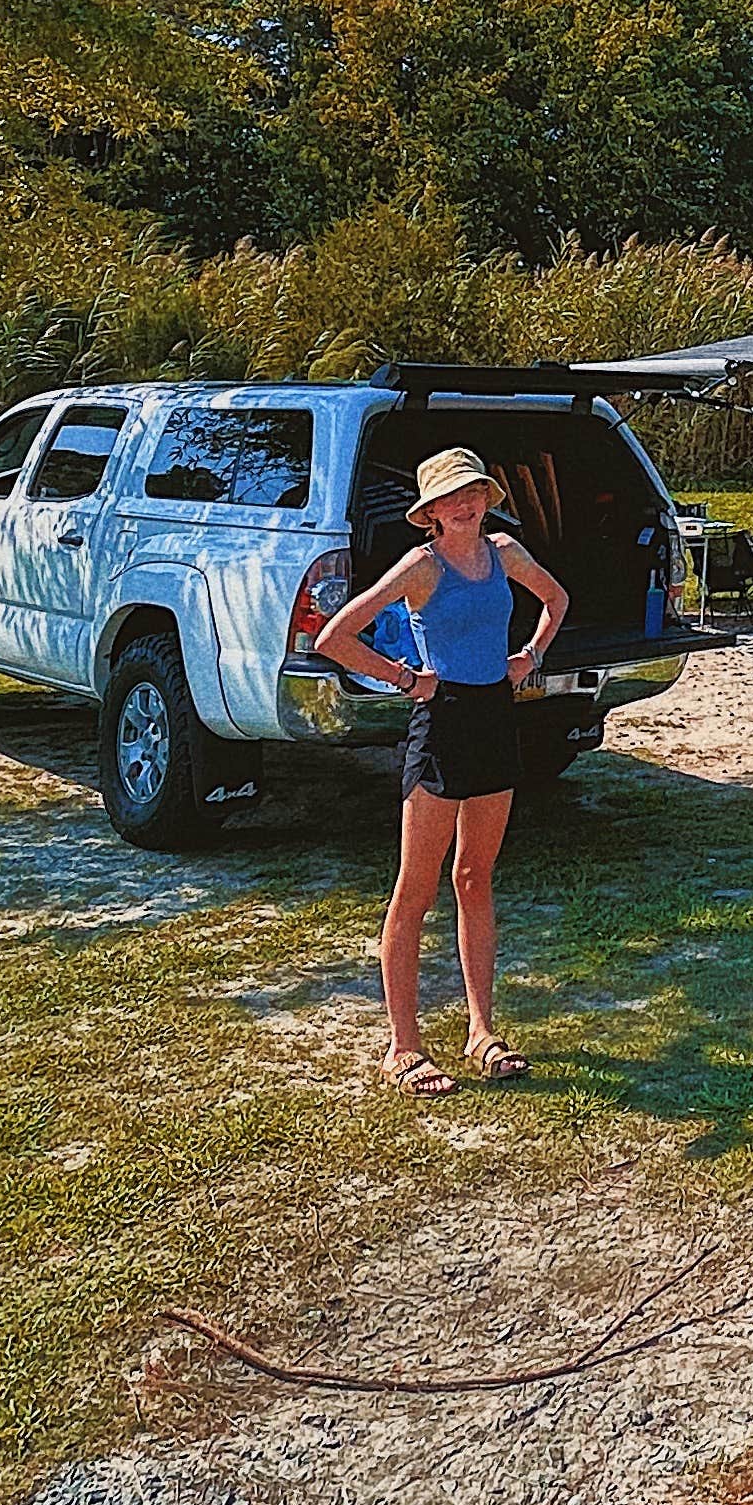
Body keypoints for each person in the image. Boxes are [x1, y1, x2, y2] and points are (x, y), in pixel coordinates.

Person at [312, 445, 569, 1095]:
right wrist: (402, 676)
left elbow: (556, 599)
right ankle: (403, 1048)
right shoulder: (420, 566)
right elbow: (334, 637)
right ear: (430, 512)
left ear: (486, 497)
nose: (466, 503)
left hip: (494, 721)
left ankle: (481, 1030)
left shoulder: (505, 553)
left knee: (476, 877)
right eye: (452, 497)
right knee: (416, 890)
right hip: (440, 726)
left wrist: (529, 656)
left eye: (475, 491)